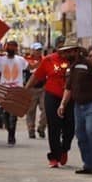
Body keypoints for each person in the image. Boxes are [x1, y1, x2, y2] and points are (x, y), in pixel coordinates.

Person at [57, 40, 92, 175]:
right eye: (65, 52)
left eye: (69, 51)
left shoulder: (88, 63)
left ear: (76, 51)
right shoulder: (70, 67)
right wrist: (63, 104)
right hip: (78, 106)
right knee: (81, 135)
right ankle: (88, 164)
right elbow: (68, 88)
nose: (67, 54)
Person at [26, 36, 73, 168]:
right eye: (60, 47)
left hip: (70, 97)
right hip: (52, 95)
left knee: (69, 126)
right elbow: (36, 76)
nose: (63, 51)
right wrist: (25, 89)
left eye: (66, 48)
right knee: (54, 125)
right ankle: (54, 156)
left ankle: (64, 149)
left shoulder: (74, 60)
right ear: (56, 47)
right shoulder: (49, 60)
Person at [0, 40, 29, 146]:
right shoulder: (0, 60)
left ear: (16, 48)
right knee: (5, 113)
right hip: (4, 90)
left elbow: (28, 68)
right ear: (6, 47)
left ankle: (12, 135)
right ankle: (9, 130)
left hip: (17, 90)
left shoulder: (21, 60)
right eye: (10, 46)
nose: (12, 48)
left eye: (14, 46)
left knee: (14, 114)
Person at [25, 42, 47, 139]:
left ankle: (41, 127)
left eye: (40, 50)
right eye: (36, 50)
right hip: (31, 89)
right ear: (32, 50)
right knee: (30, 110)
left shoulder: (45, 60)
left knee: (45, 109)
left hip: (43, 88)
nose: (38, 52)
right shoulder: (27, 60)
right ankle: (31, 129)